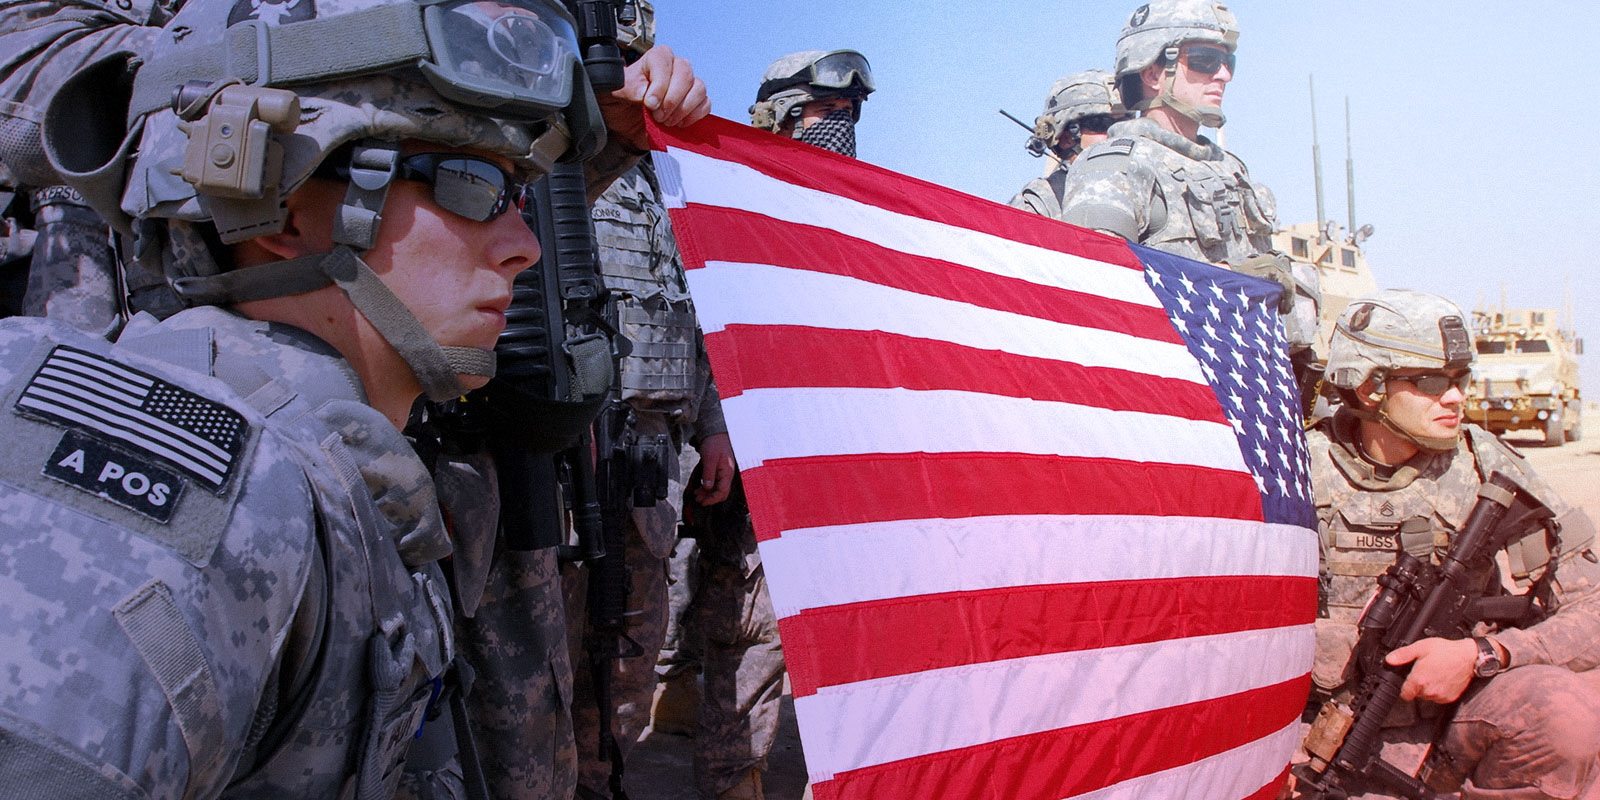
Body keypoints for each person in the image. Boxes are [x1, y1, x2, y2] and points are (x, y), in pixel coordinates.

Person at [0, 0, 706, 796]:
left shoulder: (350, 480)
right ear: (282, 202)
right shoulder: (194, 517)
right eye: (474, 185)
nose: (525, 247)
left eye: (518, 196)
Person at [1294, 290, 1600, 799]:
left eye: (1461, 381)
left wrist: (1485, 652)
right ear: (1370, 388)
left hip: (1457, 724)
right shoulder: (1296, 469)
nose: (1456, 398)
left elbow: (1593, 606)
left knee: (1564, 714)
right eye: (1433, 382)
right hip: (1321, 726)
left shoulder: (1488, 467)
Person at [561, 3, 736, 798]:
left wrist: (716, 428)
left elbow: (701, 312)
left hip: (653, 465)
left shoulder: (671, 167)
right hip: (563, 463)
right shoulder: (547, 146)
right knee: (542, 680)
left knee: (626, 670)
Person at [1057, 0, 1320, 364]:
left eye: (1228, 62)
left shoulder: (1231, 169)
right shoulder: (1116, 163)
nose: (1223, 75)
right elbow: (1095, 290)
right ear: (1152, 71)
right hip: (1171, 383)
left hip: (1250, 376)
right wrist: (1230, 281)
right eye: (1205, 60)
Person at [1008, 69, 1128, 219]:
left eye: (1125, 124)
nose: (1118, 133)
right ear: (1066, 138)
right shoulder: (1041, 205)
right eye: (1102, 124)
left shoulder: (1144, 189)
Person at [748, 48, 874, 158]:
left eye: (847, 112)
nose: (842, 124)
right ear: (784, 121)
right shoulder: (745, 176)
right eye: (826, 110)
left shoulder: (860, 184)